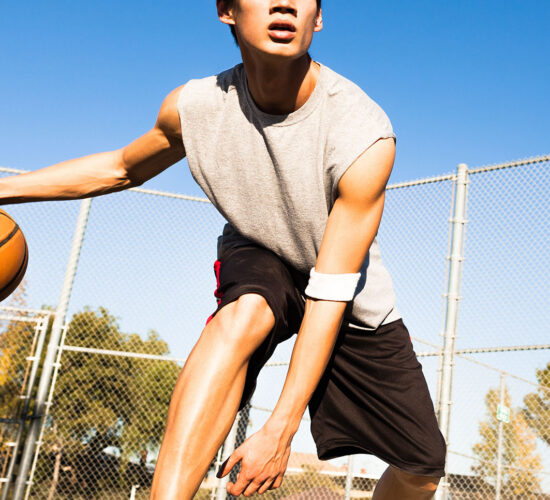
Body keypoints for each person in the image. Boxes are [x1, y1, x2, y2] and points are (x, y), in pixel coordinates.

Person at [0, 0, 446, 498]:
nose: (284, 3)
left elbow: (329, 291)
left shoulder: (362, 132)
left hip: (343, 291)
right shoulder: (194, 107)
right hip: (259, 249)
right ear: (226, 10)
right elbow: (121, 168)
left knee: (422, 466)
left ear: (318, 19)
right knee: (245, 311)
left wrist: (280, 428)